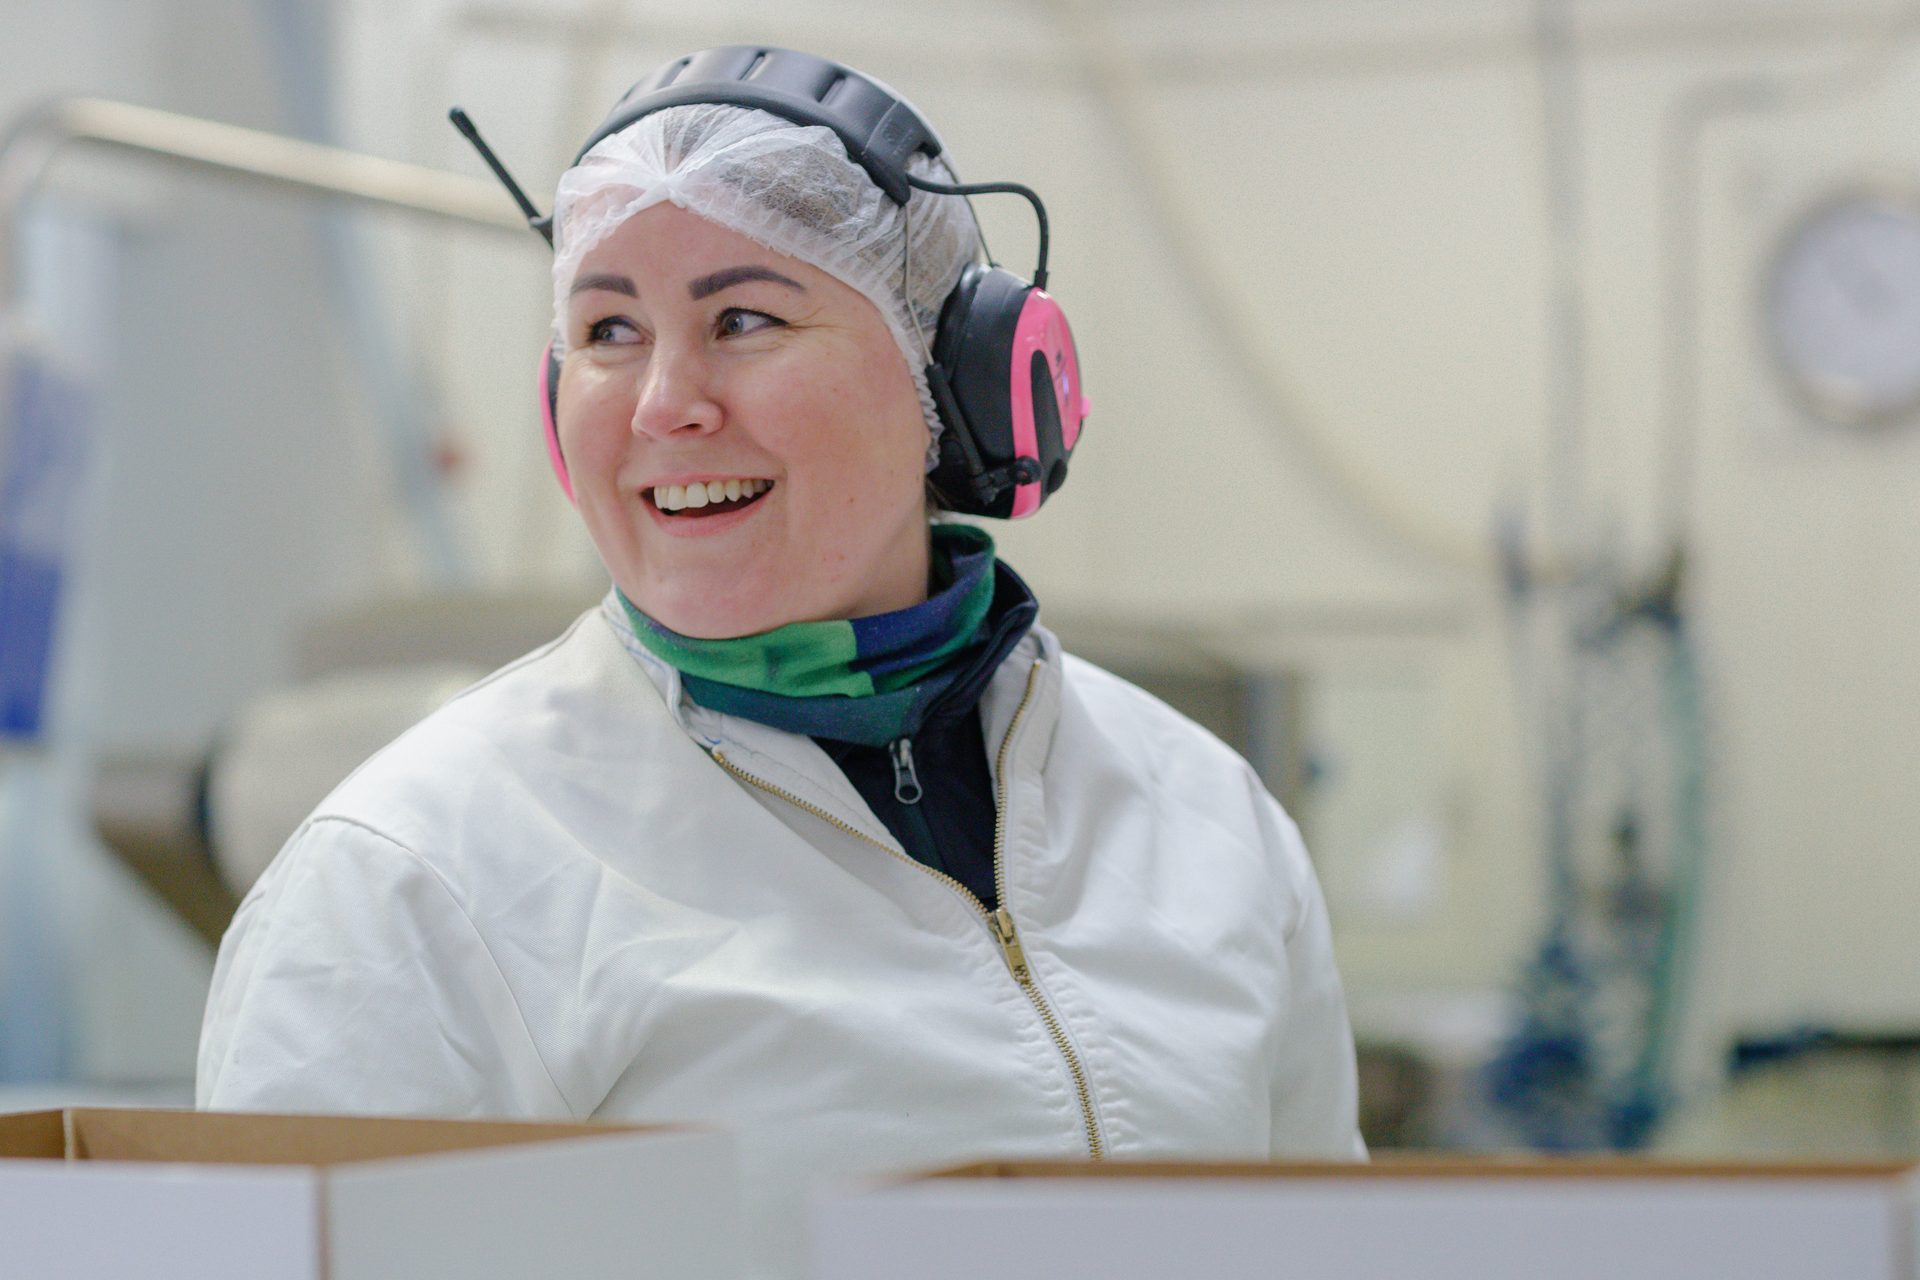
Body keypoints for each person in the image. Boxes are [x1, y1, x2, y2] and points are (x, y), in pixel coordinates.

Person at [198, 46, 1363, 1278]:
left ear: (955, 382)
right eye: (607, 329)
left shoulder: (1202, 813)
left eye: (742, 317)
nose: (662, 403)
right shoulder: (412, 884)